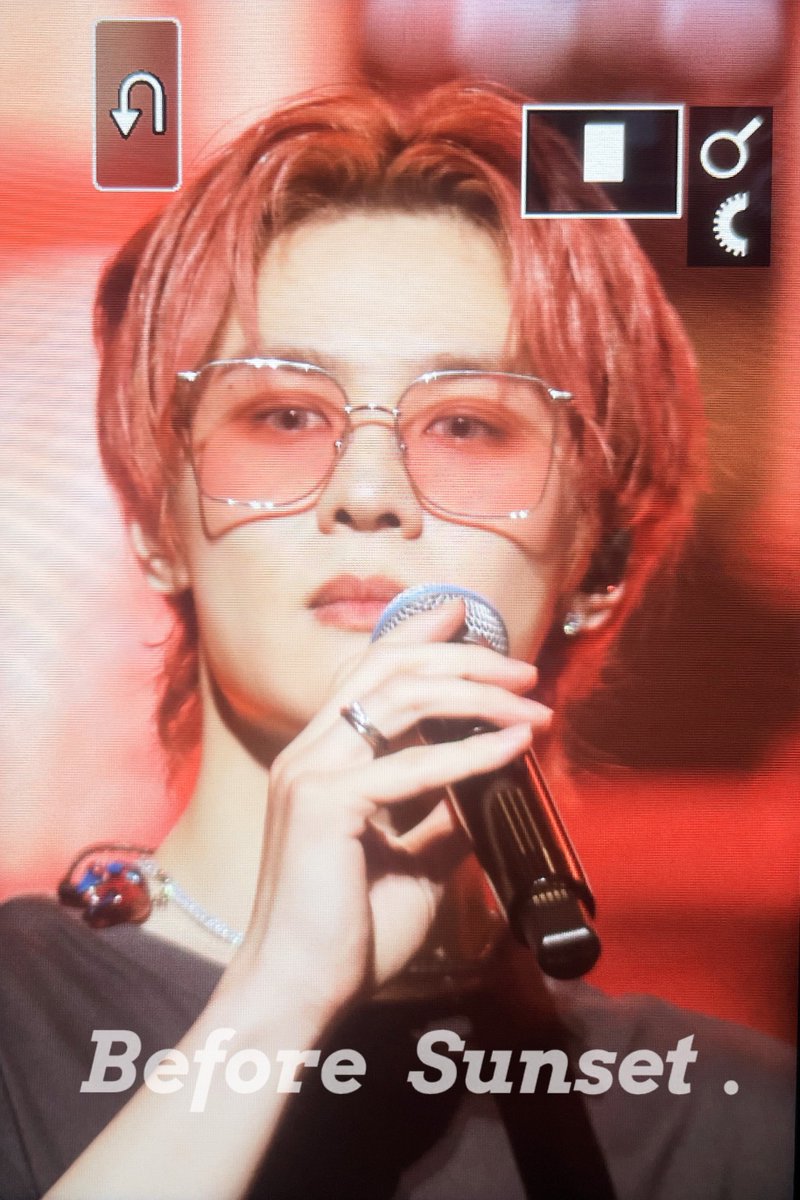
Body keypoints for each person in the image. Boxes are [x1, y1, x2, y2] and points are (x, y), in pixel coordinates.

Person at [0, 82, 793, 1200]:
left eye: (466, 425)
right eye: (284, 417)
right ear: (153, 521)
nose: (368, 491)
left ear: (600, 557)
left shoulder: (729, 1127)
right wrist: (277, 994)